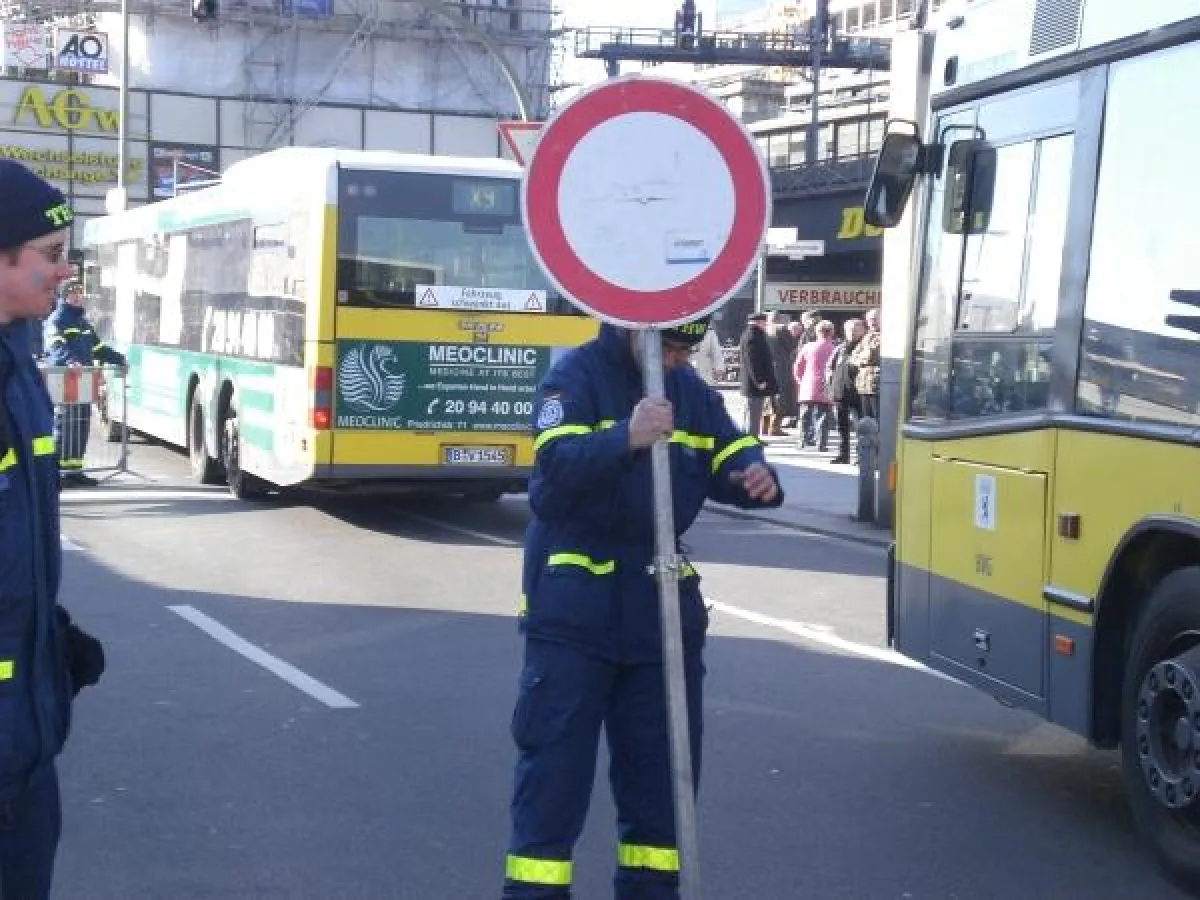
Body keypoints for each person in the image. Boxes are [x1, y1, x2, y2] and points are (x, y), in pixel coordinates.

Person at [502, 315, 784, 900]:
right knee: (552, 787)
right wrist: (623, 437)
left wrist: (755, 474)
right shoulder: (575, 376)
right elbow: (550, 480)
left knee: (661, 798)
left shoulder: (691, 391)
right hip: (574, 617)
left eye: (689, 349)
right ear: (638, 330)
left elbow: (730, 451)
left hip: (661, 621)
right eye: (673, 348)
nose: (681, 360)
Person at [0, 160, 106, 899]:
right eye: (51, 254)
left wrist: (47, 628)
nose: (64, 273)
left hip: (24, 747)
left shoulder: (19, 367)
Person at [44, 278, 126, 487]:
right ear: (64, 296)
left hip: (83, 378)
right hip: (66, 377)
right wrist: (71, 361)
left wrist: (119, 359)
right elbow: (56, 346)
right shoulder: (58, 319)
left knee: (81, 424)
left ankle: (74, 470)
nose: (78, 296)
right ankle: (60, 472)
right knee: (66, 424)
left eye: (80, 292)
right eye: (73, 292)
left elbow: (97, 348)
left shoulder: (82, 323)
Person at [792, 319, 837, 452]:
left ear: (817, 332)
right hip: (826, 385)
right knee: (823, 416)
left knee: (805, 415)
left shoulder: (808, 347)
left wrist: (800, 380)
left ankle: (802, 441)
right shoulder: (834, 348)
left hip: (808, 385)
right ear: (831, 333)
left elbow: (797, 366)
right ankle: (821, 444)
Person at [827, 318, 865, 464]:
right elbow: (830, 368)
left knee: (860, 426)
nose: (852, 332)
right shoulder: (840, 348)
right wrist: (830, 388)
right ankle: (843, 454)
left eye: (856, 329)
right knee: (842, 426)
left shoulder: (864, 347)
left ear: (863, 330)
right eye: (849, 330)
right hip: (840, 392)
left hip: (858, 393)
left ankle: (862, 456)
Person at [736, 312, 777, 436]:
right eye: (765, 323)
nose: (766, 325)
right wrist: (759, 380)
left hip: (755, 382)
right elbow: (752, 361)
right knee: (753, 413)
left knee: (754, 412)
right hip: (755, 383)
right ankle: (750, 439)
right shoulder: (752, 337)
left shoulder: (755, 335)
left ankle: (751, 437)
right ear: (759, 322)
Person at [688, 321, 725, 386]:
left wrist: (719, 368)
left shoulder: (709, 332)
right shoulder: (684, 330)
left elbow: (716, 350)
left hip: (704, 368)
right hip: (687, 366)